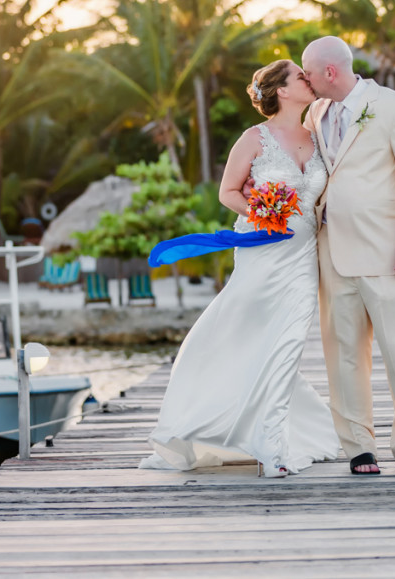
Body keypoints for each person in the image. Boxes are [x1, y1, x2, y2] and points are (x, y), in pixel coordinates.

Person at [139, 59, 340, 477]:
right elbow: (228, 192)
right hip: (261, 253)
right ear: (282, 90)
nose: (309, 80)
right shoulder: (254, 138)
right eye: (301, 77)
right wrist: (263, 210)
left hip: (303, 257)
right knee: (245, 333)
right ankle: (208, 411)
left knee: (288, 343)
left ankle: (272, 446)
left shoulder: (318, 136)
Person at [301, 36, 395, 475]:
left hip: (387, 252)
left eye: (309, 72)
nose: (305, 79)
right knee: (343, 354)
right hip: (331, 251)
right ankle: (358, 446)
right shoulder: (315, 112)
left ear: (330, 73)